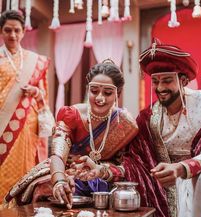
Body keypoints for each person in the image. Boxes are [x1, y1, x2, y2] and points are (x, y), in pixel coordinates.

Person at [123, 39, 201, 217]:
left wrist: (183, 168)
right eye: (155, 81)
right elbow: (136, 160)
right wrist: (103, 170)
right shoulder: (148, 117)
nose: (160, 88)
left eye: (167, 80)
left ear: (183, 80)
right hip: (171, 182)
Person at [3, 60, 138, 208]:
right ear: (88, 90)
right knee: (45, 188)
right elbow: (58, 154)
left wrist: (100, 171)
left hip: (104, 178)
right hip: (67, 172)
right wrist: (60, 180)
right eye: (94, 91)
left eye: (107, 93)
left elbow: (127, 166)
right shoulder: (72, 114)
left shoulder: (125, 124)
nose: (100, 98)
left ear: (117, 94)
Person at [0, 10, 51, 203]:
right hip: (2, 123)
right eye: (7, 30)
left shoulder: (35, 60)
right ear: (1, 32)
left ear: (23, 32)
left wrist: (36, 92)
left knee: (26, 164)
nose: (12, 35)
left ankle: (23, 209)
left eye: (16, 30)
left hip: (27, 123)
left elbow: (43, 93)